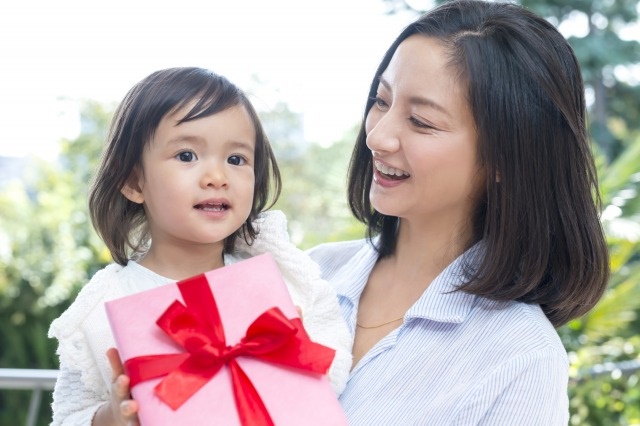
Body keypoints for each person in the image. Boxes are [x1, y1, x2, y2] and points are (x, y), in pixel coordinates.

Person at [307, 0, 610, 424]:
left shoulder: (521, 358)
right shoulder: (307, 274)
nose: (378, 136)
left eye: (421, 121)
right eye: (381, 100)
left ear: (506, 157)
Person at [48, 67, 351, 425]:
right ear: (133, 181)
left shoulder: (284, 279)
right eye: (187, 156)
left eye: (236, 159)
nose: (217, 177)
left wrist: (298, 355)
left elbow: (337, 368)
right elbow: (69, 415)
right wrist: (112, 416)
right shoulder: (98, 311)